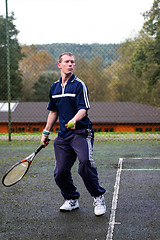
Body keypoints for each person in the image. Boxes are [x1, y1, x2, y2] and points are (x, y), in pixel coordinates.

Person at [41, 52, 106, 216]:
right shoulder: (54, 88)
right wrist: (45, 132)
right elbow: (53, 112)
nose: (70, 64)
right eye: (67, 62)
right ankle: (71, 199)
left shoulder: (79, 85)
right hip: (63, 136)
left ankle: (98, 197)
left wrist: (74, 120)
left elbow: (83, 109)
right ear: (59, 65)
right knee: (60, 172)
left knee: (85, 163)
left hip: (82, 132)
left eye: (72, 62)